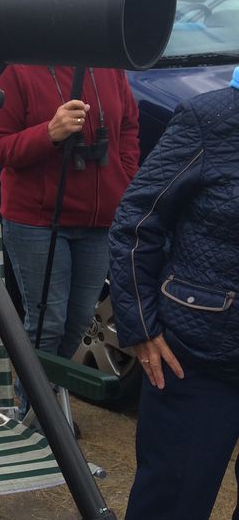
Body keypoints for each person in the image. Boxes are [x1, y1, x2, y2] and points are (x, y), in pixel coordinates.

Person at [110, 74, 239, 520]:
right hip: (198, 354)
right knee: (172, 502)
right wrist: (141, 327)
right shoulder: (212, 118)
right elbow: (136, 222)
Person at [0, 64, 140, 417]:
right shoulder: (19, 71)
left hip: (99, 221)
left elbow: (128, 127)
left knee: (78, 319)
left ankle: (44, 399)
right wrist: (49, 133)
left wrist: (124, 178)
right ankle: (33, 411)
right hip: (37, 220)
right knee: (47, 321)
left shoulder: (110, 67)